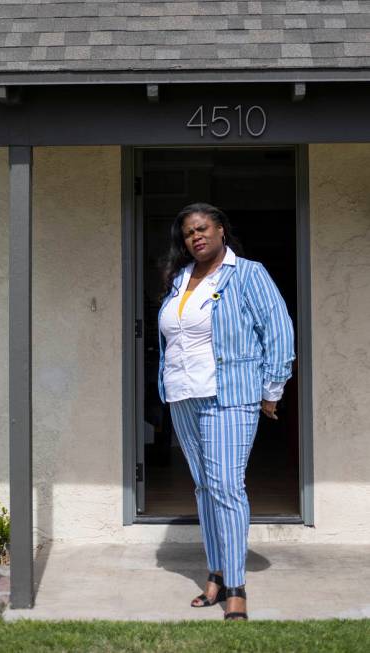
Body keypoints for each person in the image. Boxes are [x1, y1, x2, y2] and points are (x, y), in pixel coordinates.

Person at [158, 202, 295, 621]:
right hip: (184, 395)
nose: (195, 237)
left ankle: (236, 586)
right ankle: (216, 572)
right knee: (204, 488)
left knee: (227, 488)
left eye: (202, 229)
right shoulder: (181, 279)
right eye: (187, 233)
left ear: (221, 231)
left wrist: (271, 389)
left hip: (230, 395)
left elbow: (278, 329)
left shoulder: (249, 274)